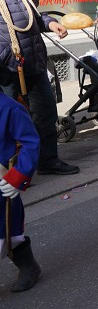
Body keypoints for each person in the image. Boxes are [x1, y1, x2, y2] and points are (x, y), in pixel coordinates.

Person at [0, 0, 78, 176]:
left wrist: (49, 23)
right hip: (7, 71)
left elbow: (32, 13)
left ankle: (48, 161)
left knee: (46, 114)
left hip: (33, 63)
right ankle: (9, 171)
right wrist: (6, 57)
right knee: (7, 123)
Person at [1, 92, 41, 292]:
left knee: (9, 234)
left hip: (2, 186)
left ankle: (28, 266)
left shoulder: (9, 108)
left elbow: (30, 143)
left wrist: (18, 177)